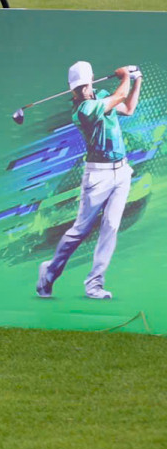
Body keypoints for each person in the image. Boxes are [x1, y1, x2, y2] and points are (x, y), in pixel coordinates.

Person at [38, 61, 143, 301]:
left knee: (111, 227)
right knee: (80, 230)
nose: (83, 90)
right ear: (71, 89)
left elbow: (127, 108)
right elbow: (120, 95)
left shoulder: (103, 96)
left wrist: (137, 80)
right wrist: (125, 76)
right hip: (98, 175)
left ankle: (95, 284)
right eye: (78, 87)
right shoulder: (83, 110)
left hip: (121, 171)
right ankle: (49, 272)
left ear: (92, 80)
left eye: (85, 85)